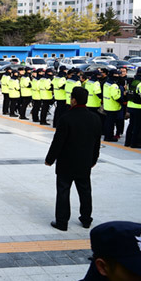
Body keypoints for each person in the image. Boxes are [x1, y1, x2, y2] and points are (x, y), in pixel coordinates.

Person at [46, 87, 102, 231]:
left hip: (66, 162)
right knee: (85, 191)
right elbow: (97, 143)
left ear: (74, 100)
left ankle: (62, 222)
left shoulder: (66, 118)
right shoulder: (95, 118)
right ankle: (86, 219)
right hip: (84, 162)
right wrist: (94, 160)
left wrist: (50, 159)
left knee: (63, 191)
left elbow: (58, 142)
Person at [124, 68, 141, 148]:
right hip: (138, 107)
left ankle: (127, 142)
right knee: (137, 126)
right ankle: (134, 144)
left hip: (130, 105)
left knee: (131, 124)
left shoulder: (130, 82)